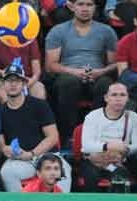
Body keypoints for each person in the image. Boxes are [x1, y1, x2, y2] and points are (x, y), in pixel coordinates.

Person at [44, 0, 118, 142]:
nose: (85, 8)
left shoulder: (106, 31)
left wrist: (100, 72)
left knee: (106, 84)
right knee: (68, 82)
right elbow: (50, 65)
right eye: (81, 4)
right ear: (72, 6)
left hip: (97, 76)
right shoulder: (58, 31)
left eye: (89, 4)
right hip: (68, 76)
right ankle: (68, 135)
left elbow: (114, 64)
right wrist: (74, 72)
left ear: (95, 7)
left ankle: (97, 133)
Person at [0, 62, 70, 193]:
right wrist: (5, 149)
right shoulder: (0, 111)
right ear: (3, 85)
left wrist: (31, 154)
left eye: (17, 80)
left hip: (46, 155)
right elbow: (1, 142)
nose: (13, 84)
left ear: (24, 83)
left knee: (63, 171)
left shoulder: (39, 105)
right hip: (20, 159)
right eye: (9, 81)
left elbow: (53, 137)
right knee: (7, 172)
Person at [79, 81, 137, 192]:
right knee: (91, 176)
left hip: (119, 159)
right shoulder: (93, 116)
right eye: (114, 95)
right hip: (94, 159)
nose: (118, 98)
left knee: (122, 175)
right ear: (106, 98)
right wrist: (108, 147)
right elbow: (86, 145)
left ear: (127, 98)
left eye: (122, 95)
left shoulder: (133, 117)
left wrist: (123, 150)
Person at [0, 33, 45, 103]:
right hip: (3, 79)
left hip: (27, 79)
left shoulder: (30, 36)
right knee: (2, 92)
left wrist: (26, 85)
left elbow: (37, 72)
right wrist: (3, 72)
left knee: (39, 89)